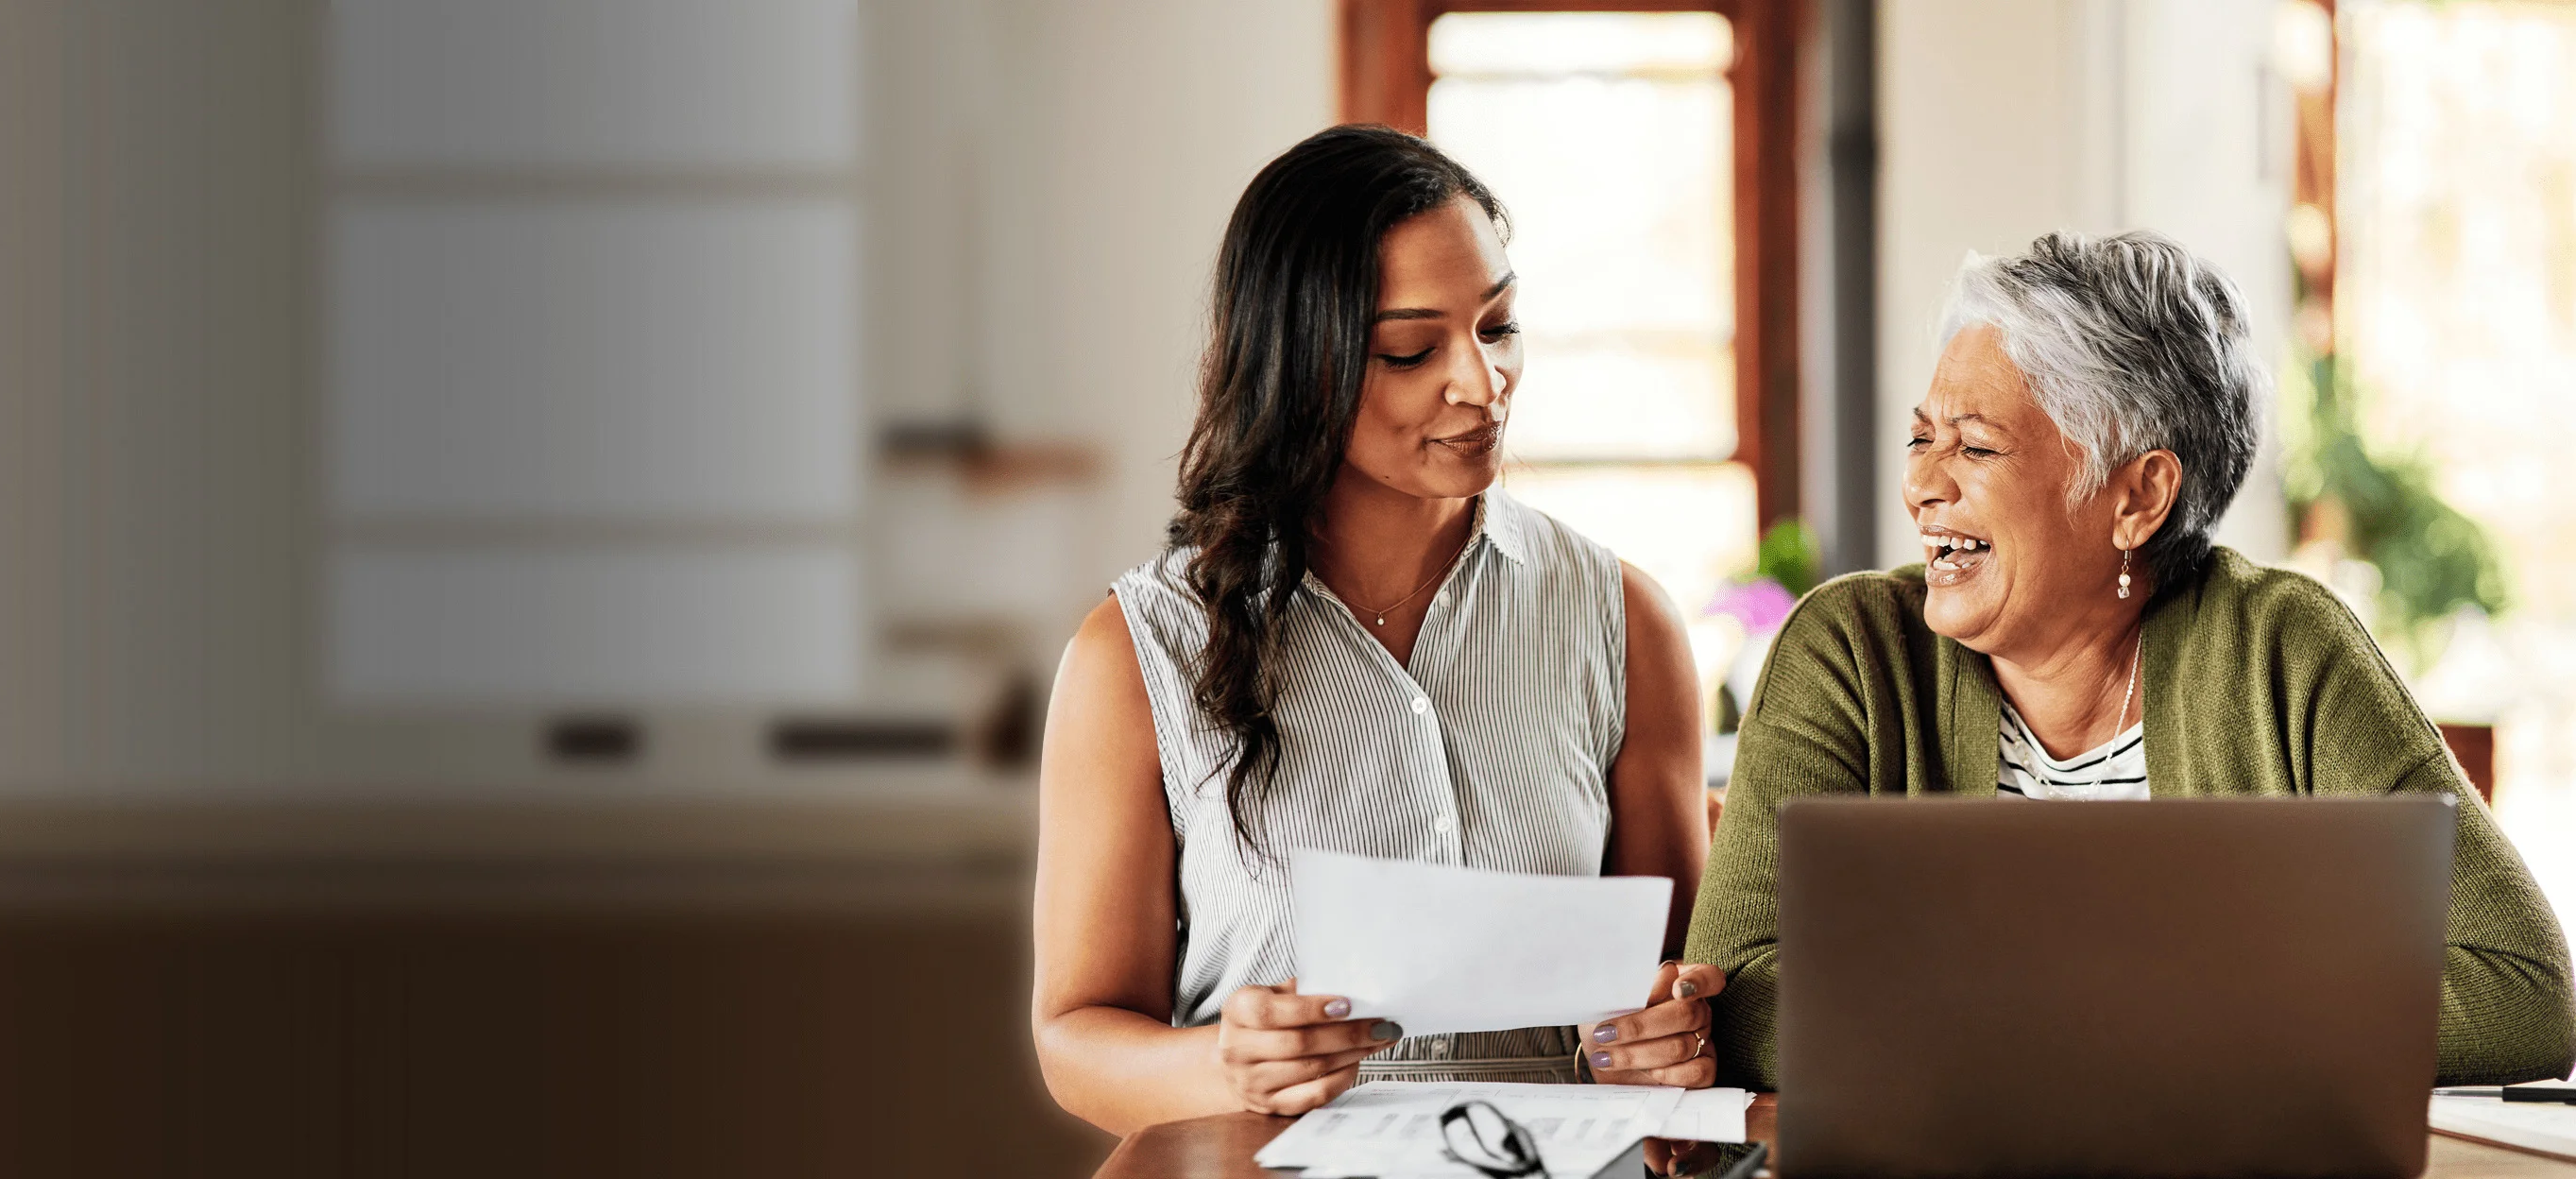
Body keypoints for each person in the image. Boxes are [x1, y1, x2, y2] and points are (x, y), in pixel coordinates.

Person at [1685, 230, 2576, 1092]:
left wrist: (2048, 1022)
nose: (1924, 483)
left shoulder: (2281, 649)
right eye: (1923, 439)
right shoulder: (1850, 649)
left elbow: (2525, 990)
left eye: (1976, 446)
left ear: (2139, 496)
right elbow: (1739, 1001)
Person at [1030, 126, 1718, 1136]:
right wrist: (1234, 1067)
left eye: (1498, 326)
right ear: (1297, 363)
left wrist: (1669, 1033)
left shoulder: (1622, 619)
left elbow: (1684, 985)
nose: (1482, 385)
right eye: (1410, 349)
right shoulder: (1137, 652)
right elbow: (1077, 1040)